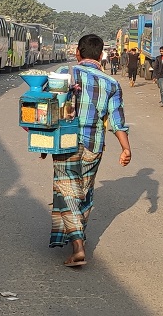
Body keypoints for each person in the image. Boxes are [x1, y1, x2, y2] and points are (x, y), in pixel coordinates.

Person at [49, 34, 131, 268]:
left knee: (67, 191)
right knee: (84, 191)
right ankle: (79, 235)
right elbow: (117, 121)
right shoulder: (112, 84)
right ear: (101, 55)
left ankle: (77, 247)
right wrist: (126, 148)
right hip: (94, 145)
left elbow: (48, 106)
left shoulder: (66, 73)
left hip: (66, 141)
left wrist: (43, 141)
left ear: (78, 53)